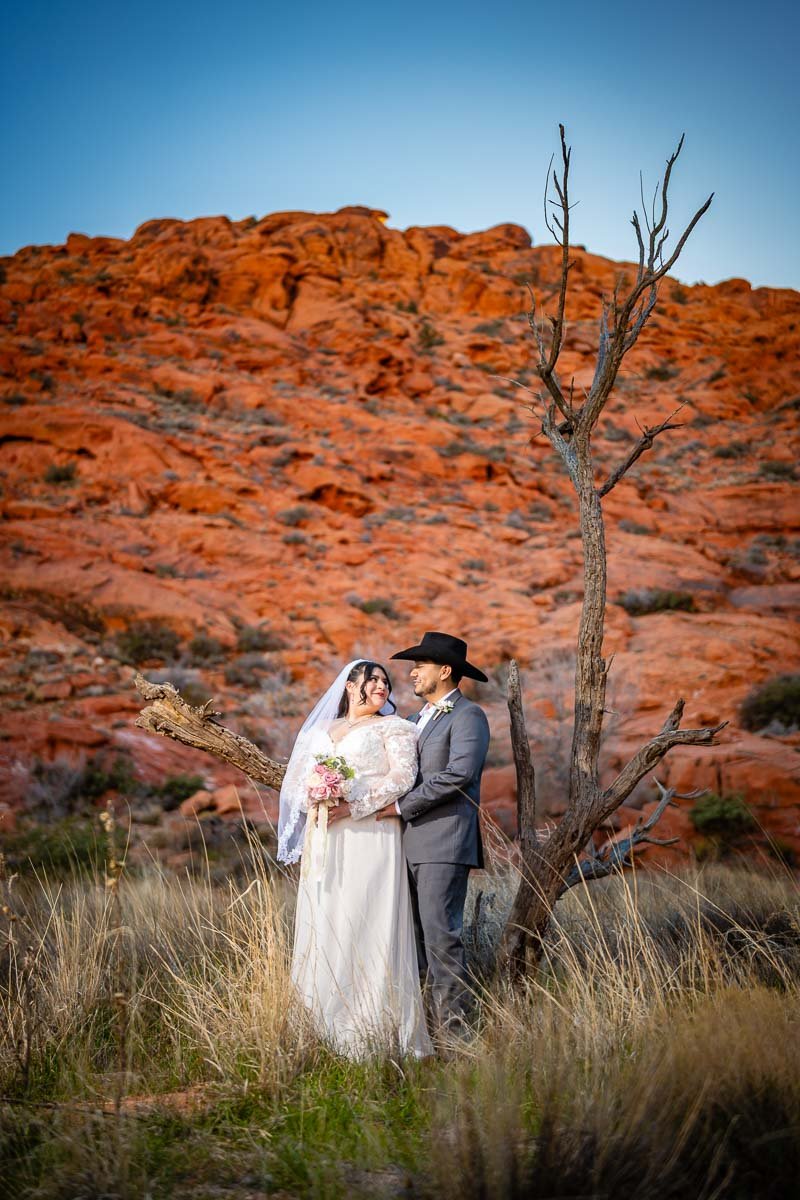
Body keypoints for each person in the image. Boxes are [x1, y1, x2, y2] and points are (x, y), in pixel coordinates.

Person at [277, 659, 432, 1059]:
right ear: (350, 686)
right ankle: (320, 1025)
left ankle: (369, 1028)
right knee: (325, 915)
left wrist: (354, 805)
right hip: (324, 835)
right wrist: (317, 796)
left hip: (370, 833)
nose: (382, 686)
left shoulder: (395, 728)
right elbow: (295, 782)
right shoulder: (319, 733)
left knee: (365, 916)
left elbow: (402, 778)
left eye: (385, 681)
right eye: (373, 680)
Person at [390, 632, 490, 1036]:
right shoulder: (413, 722)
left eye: (421, 665)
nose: (413, 672)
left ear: (445, 671)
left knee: (441, 939)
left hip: (443, 844)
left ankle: (455, 1034)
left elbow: (460, 774)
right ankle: (419, 1034)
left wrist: (399, 807)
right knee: (410, 942)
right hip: (405, 846)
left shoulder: (469, 716)